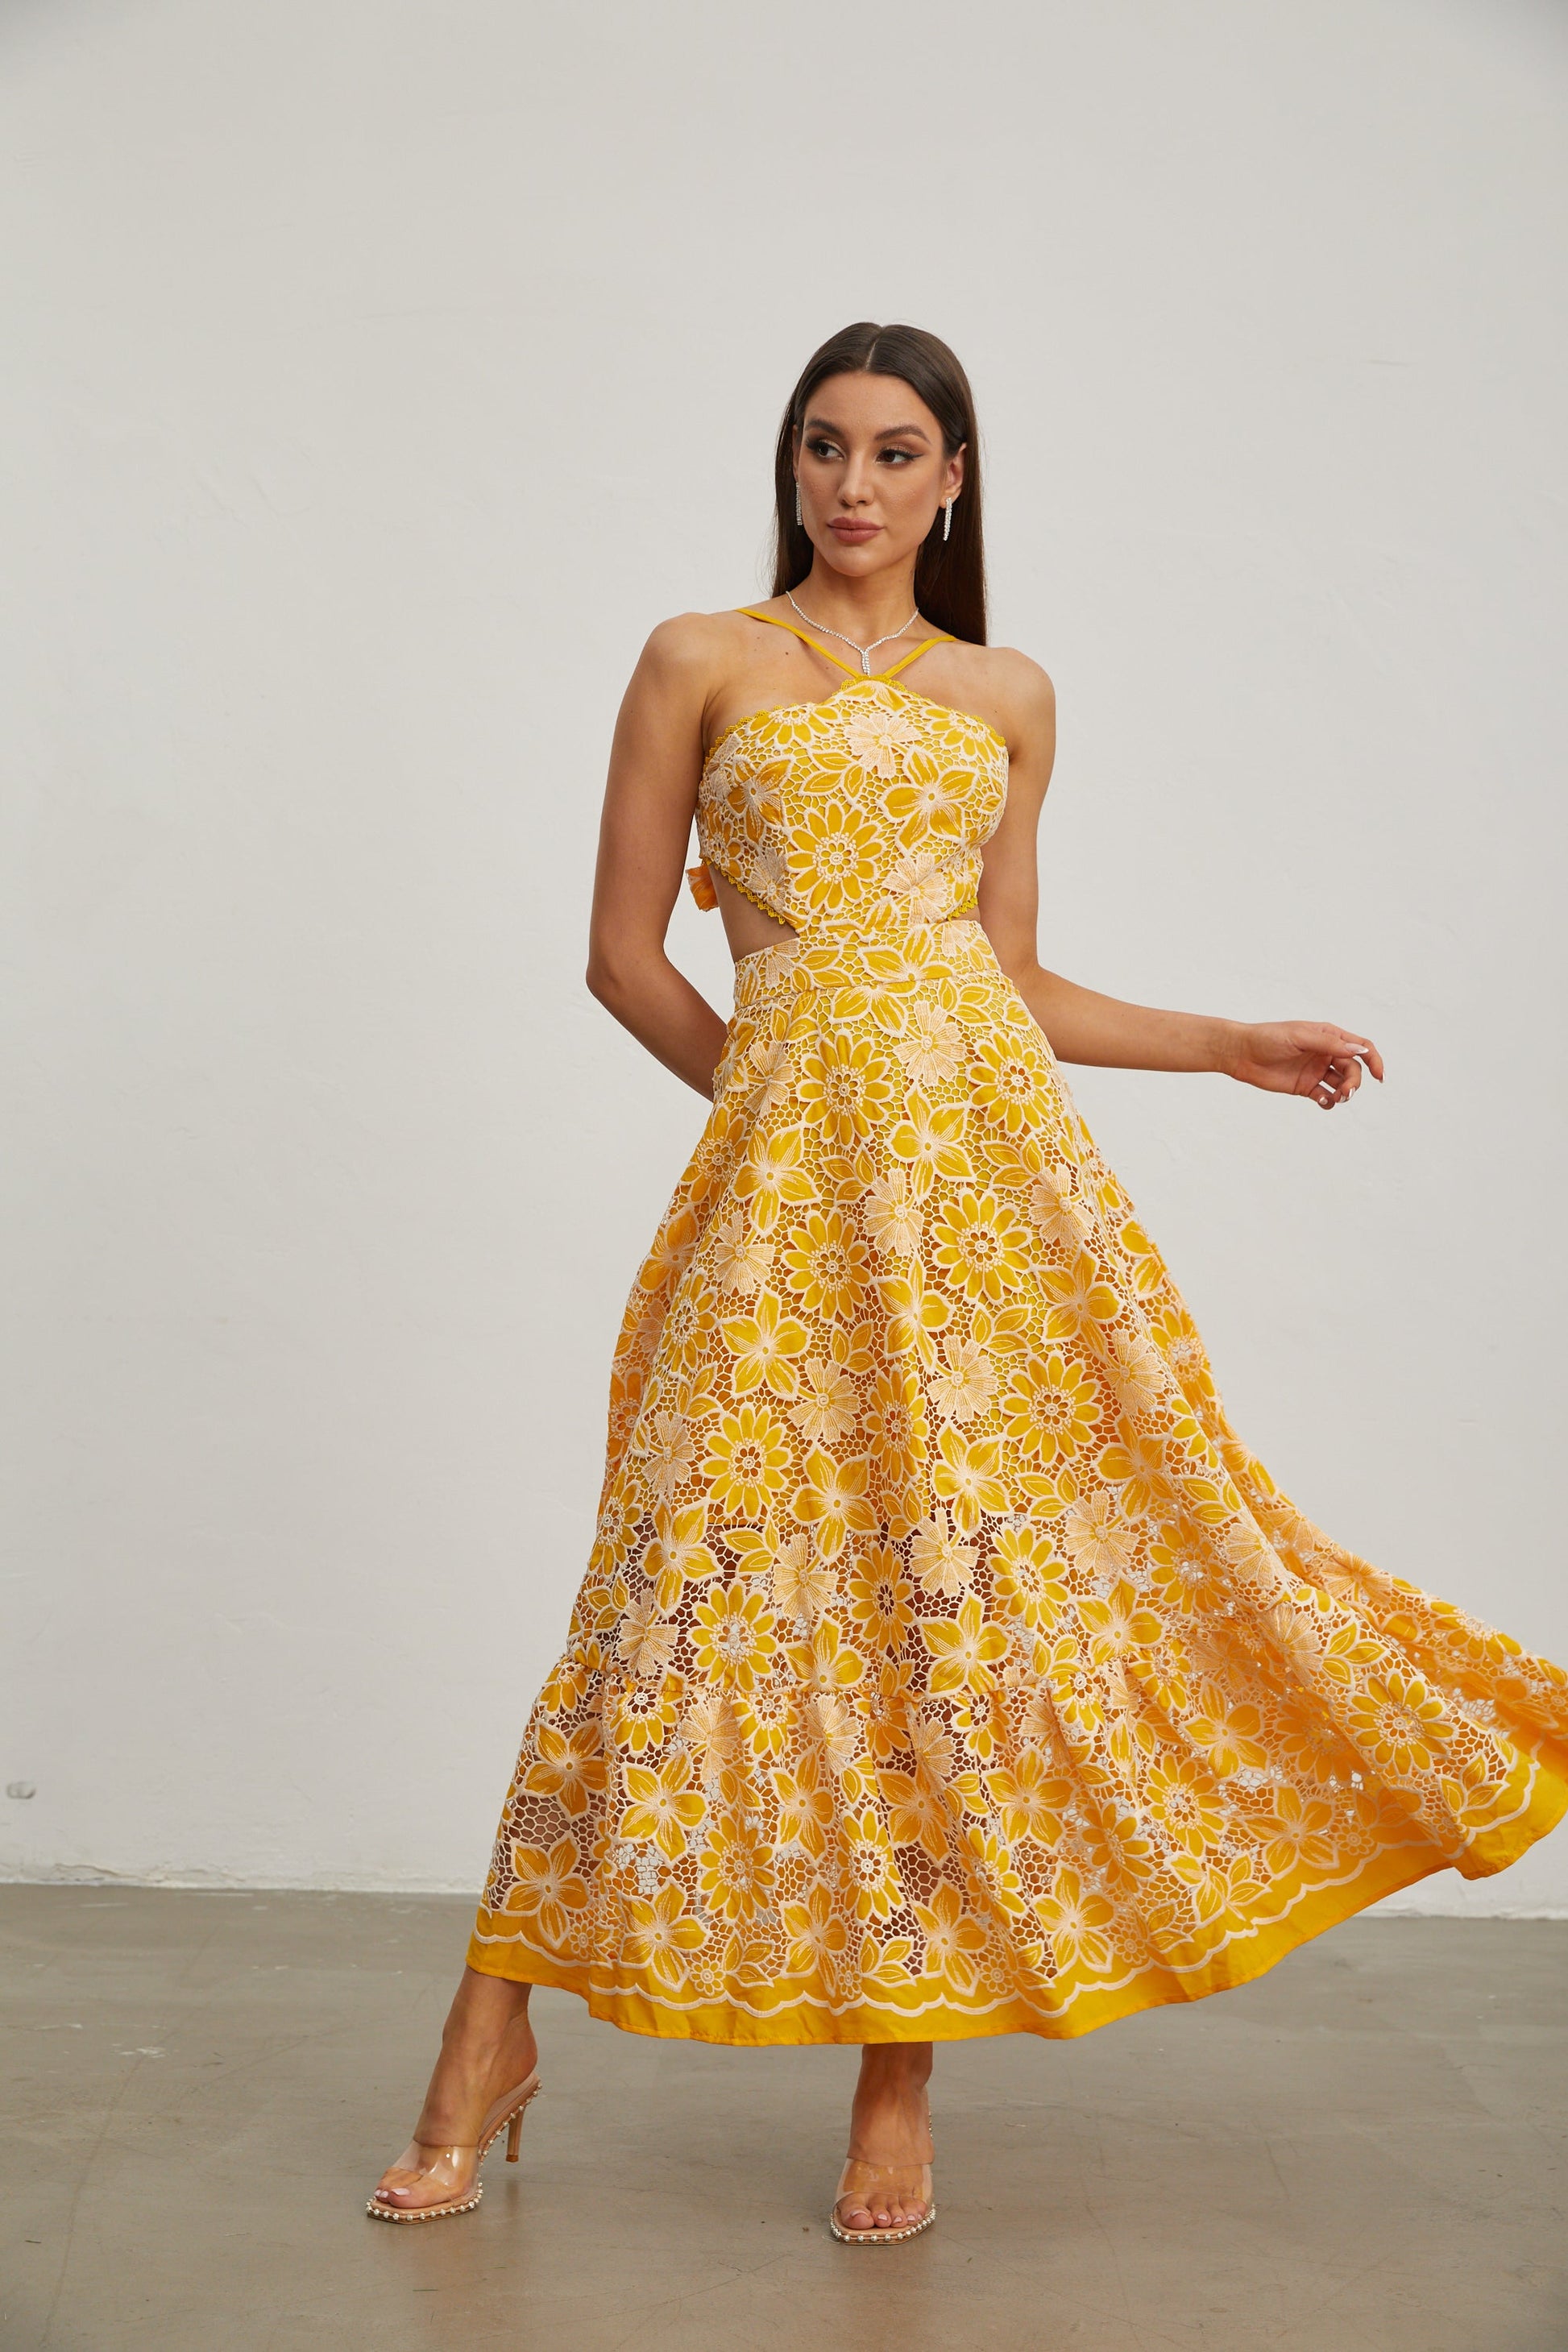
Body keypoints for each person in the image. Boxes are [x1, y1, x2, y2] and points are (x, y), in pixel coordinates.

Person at [368, 321, 1568, 2242]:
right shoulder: (697, 658)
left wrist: (1220, 1041)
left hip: (991, 1206)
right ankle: (481, 2040)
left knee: (949, 1611)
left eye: (893, 450)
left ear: (951, 479)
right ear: (792, 465)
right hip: (785, 1205)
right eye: (823, 446)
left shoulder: (1008, 692)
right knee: (662, 1591)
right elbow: (622, 954)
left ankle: (897, 2076)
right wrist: (775, 1115)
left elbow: (1003, 974)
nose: (852, 482)